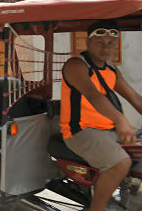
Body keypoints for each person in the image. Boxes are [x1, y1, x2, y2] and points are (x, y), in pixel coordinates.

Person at [60, 19, 142, 211]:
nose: (106, 48)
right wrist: (120, 119)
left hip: (109, 130)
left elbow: (135, 98)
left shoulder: (111, 69)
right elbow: (92, 94)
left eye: (111, 43)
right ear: (87, 43)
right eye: (99, 42)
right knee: (121, 163)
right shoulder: (75, 66)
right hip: (80, 132)